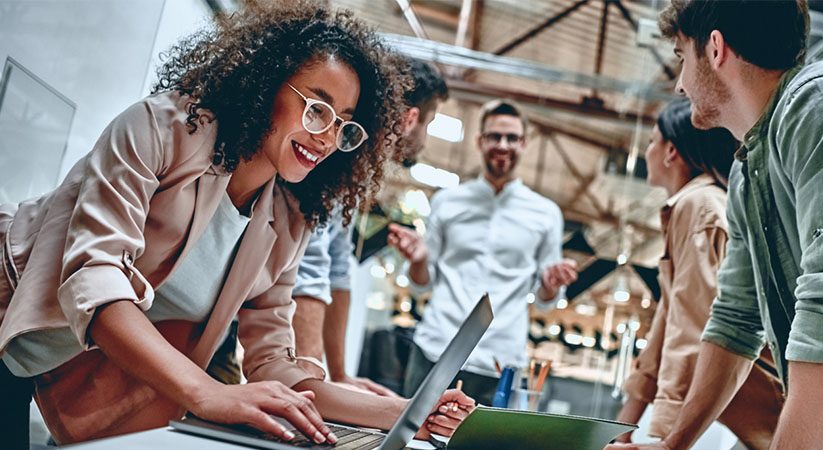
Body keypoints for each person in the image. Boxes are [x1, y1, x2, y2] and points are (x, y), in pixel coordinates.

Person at [0, 2, 472, 448]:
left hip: (58, 367)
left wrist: (408, 411)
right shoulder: (161, 129)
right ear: (266, 86)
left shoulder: (288, 220)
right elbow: (95, 278)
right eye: (317, 109)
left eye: (343, 124)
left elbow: (273, 365)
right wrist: (207, 392)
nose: (326, 137)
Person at [606, 1, 823, 449]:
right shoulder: (748, 171)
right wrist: (673, 444)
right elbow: (734, 320)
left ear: (715, 49)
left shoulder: (815, 105)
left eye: (681, 58)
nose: (679, 84)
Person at [610, 99, 784, 448]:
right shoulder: (693, 206)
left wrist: (668, 435)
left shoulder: (699, 206)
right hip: (729, 414)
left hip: (738, 413)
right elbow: (667, 322)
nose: (646, 151)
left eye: (650, 142)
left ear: (671, 150)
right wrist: (622, 426)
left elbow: (691, 328)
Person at [388, 99, 579, 406]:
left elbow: (546, 302)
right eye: (494, 136)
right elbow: (421, 283)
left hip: (500, 361)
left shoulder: (546, 214)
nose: (503, 145)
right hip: (436, 349)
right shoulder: (447, 201)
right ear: (479, 141)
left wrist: (550, 284)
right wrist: (420, 260)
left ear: (524, 143)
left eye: (512, 138)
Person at [291, 58, 448, 396]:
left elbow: (337, 268)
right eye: (430, 123)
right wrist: (314, 385)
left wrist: (338, 375)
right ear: (410, 119)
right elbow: (311, 267)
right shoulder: (339, 156)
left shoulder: (359, 171)